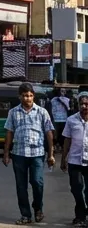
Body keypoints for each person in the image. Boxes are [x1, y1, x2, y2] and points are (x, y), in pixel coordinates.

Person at [3, 81, 56, 224]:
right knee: (21, 186)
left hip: (37, 154)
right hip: (19, 154)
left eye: (31, 95)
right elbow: (9, 133)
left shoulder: (42, 112)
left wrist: (50, 154)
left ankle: (38, 209)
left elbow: (49, 133)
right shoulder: (13, 112)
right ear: (20, 96)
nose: (28, 98)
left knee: (37, 182)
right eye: (25, 96)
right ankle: (25, 215)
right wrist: (6, 153)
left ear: (34, 97)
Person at [61, 92, 88, 226]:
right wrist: (63, 159)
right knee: (76, 189)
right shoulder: (71, 120)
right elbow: (67, 140)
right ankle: (81, 215)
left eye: (86, 104)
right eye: (81, 104)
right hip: (75, 161)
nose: (84, 106)